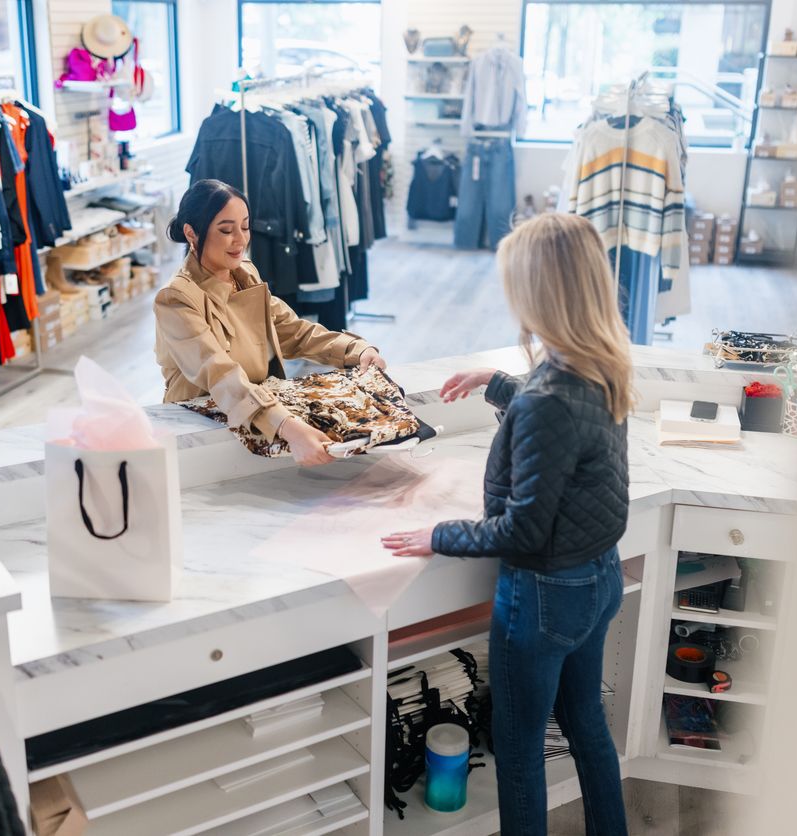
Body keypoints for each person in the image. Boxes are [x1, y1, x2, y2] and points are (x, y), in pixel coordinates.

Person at [382, 213, 632, 835]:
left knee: (519, 752)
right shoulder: (601, 362)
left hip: (545, 596)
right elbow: (562, 414)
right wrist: (499, 384)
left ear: (540, 294)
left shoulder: (550, 397)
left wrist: (439, 535)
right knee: (586, 726)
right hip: (599, 579)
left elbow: (522, 531)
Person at [154, 179, 387, 466]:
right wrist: (287, 426)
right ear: (192, 233)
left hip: (258, 413)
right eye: (226, 230)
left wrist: (355, 349)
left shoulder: (244, 275)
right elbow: (218, 373)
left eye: (245, 226)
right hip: (201, 425)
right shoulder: (176, 298)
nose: (240, 240)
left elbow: (293, 331)